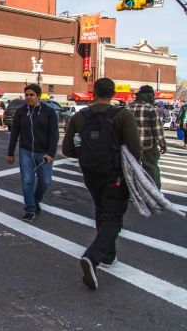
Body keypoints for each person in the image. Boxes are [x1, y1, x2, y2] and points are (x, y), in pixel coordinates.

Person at [62, 78, 142, 290]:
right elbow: (135, 150)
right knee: (114, 217)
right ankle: (93, 257)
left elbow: (67, 149)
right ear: (113, 93)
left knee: (101, 211)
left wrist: (86, 154)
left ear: (93, 92)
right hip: (115, 175)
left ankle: (108, 255)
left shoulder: (80, 116)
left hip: (91, 174)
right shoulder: (123, 115)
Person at [6, 84, 59, 223]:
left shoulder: (49, 112)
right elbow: (14, 134)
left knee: (45, 182)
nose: (29, 97)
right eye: (27, 95)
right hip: (26, 152)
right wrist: (10, 153)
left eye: (32, 95)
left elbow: (54, 134)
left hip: (44, 153)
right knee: (27, 181)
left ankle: (35, 201)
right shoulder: (21, 112)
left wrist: (51, 153)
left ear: (38, 96)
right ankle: (30, 210)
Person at [127, 85, 166, 190]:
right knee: (151, 169)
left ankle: (134, 191)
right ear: (148, 96)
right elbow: (157, 130)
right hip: (148, 147)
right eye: (152, 95)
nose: (153, 98)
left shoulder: (128, 108)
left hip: (131, 147)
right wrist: (162, 144)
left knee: (133, 170)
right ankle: (154, 192)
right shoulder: (151, 109)